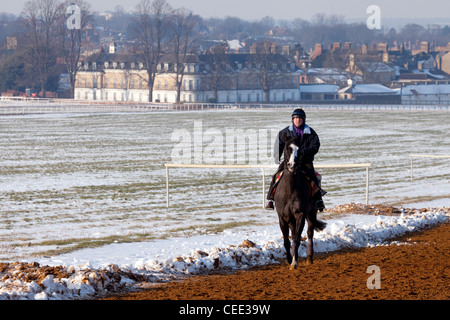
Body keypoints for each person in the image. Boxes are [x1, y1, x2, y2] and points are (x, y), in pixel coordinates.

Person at [266, 108, 326, 211]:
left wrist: (302, 151)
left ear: (304, 120)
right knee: (276, 175)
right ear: (292, 120)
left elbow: (315, 146)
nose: (298, 120)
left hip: (305, 162)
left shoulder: (310, 133)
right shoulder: (284, 133)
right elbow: (279, 145)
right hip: (289, 161)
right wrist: (277, 156)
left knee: (314, 178)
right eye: (296, 118)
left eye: (300, 118)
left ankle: (318, 200)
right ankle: (270, 199)